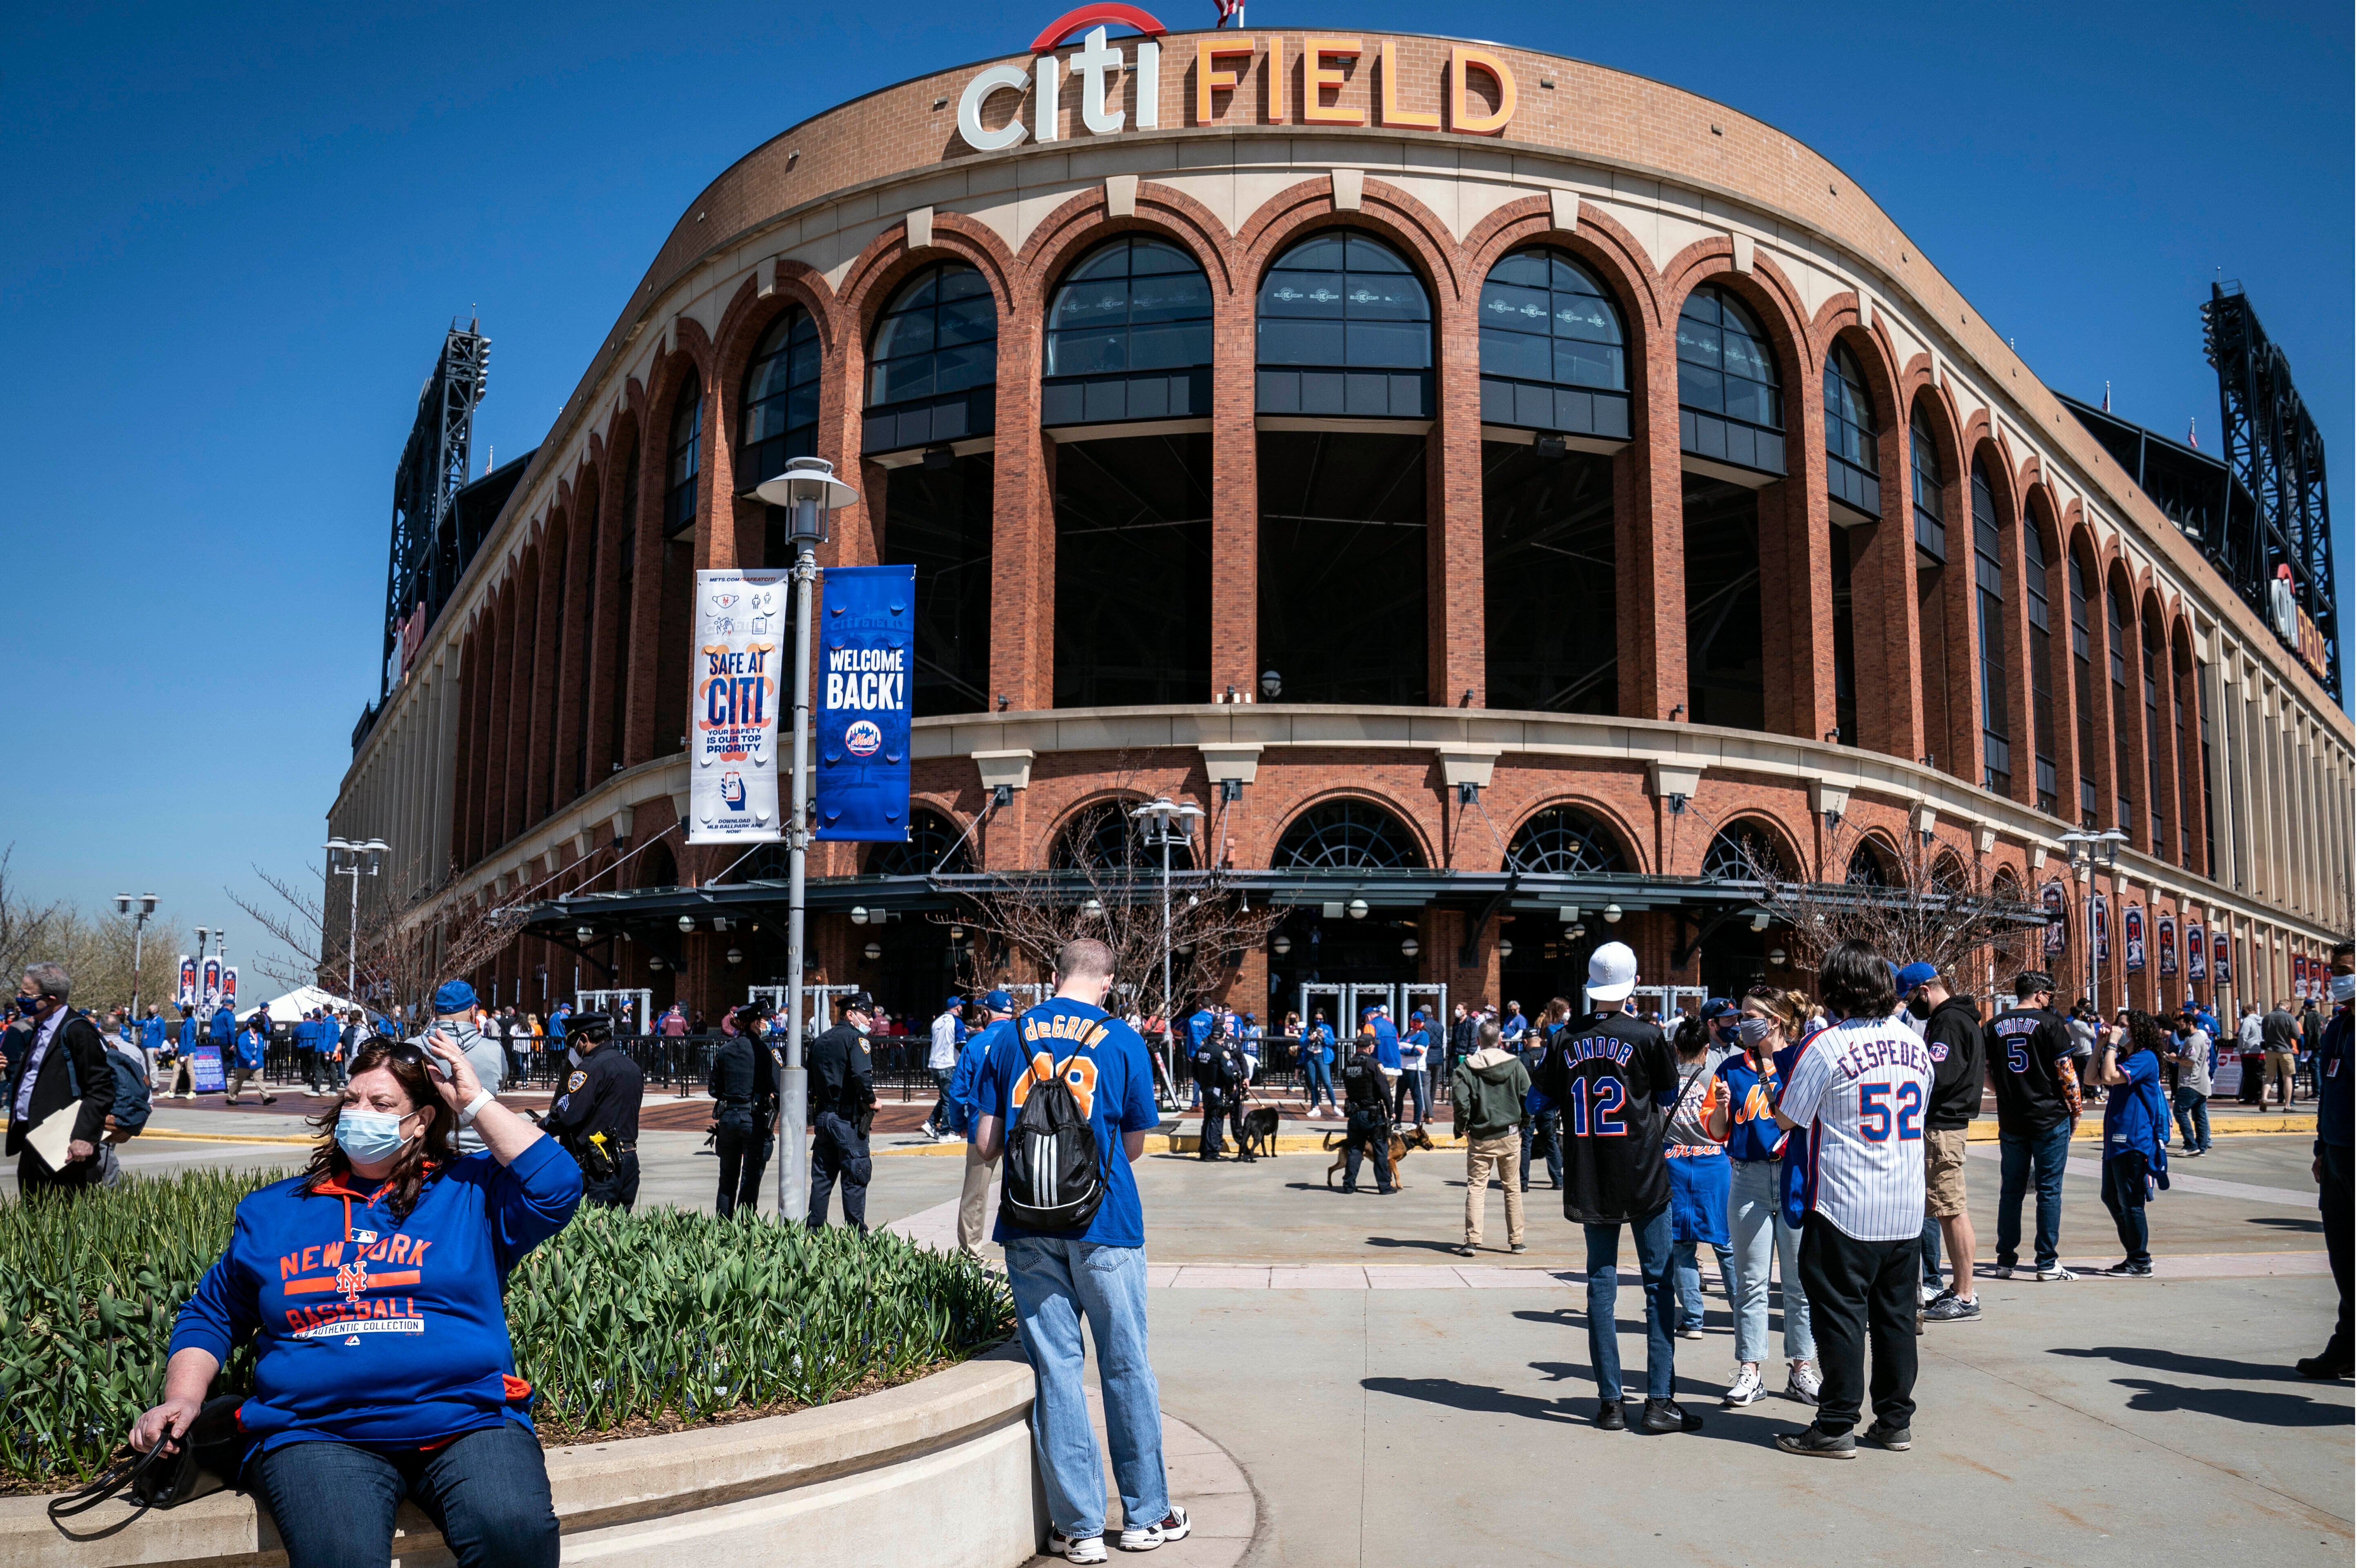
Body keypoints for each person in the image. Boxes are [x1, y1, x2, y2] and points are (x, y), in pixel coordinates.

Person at [131, 1031, 580, 1568]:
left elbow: (556, 1183)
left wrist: (474, 1102)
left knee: (514, 1532)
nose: (359, 1113)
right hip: (319, 1431)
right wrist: (183, 1399)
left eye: (382, 1104)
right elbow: (215, 1313)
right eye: (352, 1100)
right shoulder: (274, 1212)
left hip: (465, 1419)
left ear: (423, 1121)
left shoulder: (473, 1193)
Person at [972, 939, 1188, 1561]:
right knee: (1125, 1367)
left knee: (1057, 1372)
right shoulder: (1122, 1039)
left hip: (1028, 1225)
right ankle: (1147, 1516)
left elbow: (987, 1143)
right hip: (1107, 1223)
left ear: (1053, 976)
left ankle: (1080, 1528)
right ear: (1108, 981)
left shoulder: (1007, 1037)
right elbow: (1137, 1143)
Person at [1770, 941, 1932, 1460]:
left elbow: (1787, 1118)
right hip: (1905, 1204)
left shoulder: (1827, 1045)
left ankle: (1837, 1422)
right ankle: (1894, 1420)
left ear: (1836, 988)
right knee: (1896, 1318)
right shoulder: (1914, 1043)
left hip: (1844, 1202)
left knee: (1839, 1316)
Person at [1536, 941, 1700, 1434]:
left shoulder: (1564, 1039)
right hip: (1646, 1173)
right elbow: (1669, 1094)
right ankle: (1659, 1401)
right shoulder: (1648, 1036)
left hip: (1590, 1177)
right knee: (1657, 1285)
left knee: (1601, 1289)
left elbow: (1536, 1102)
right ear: (1633, 986)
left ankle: (1610, 1403)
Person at [1705, 985, 1820, 1407]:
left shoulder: (1801, 1063)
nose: (1741, 1023)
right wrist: (1720, 1106)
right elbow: (1718, 1131)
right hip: (1748, 1178)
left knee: (1799, 1284)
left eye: (1750, 1015)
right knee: (1750, 1282)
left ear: (1773, 1020)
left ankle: (1802, 1368)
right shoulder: (1731, 1069)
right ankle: (1750, 1370)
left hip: (1793, 1178)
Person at [1901, 962, 1984, 1323]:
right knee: (1945, 1208)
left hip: (1943, 1126)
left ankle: (1965, 1295)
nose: (1908, 1008)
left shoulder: (1948, 1021)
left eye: (1908, 999)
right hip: (1946, 1124)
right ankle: (1958, 1289)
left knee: (1951, 1210)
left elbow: (1939, 1075)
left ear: (1923, 990)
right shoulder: (1958, 1017)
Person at [1987, 970, 2082, 1282]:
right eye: (2049, 996)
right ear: (2040, 994)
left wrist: (2004, 1090)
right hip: (2049, 1116)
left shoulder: (1993, 1026)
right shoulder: (2051, 1024)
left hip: (2012, 1118)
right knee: (2049, 1192)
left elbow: (1985, 1073)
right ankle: (2046, 1262)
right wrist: (2076, 1108)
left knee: (2011, 1192)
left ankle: (2005, 1260)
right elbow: (2065, 1071)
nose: (2049, 1001)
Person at [6, 962, 111, 1197]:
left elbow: (101, 1088)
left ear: (51, 999)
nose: (19, 998)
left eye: (27, 994)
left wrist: (84, 1137)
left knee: (62, 1222)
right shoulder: (41, 1027)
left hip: (64, 1146)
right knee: (32, 1220)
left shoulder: (78, 1031)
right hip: (33, 1137)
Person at [2297, 940, 2352, 1379]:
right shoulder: (2338, 1026)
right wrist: (2321, 1149)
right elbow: (2329, 1092)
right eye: (2334, 970)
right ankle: (2347, 1345)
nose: (2336, 977)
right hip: (2337, 1154)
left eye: (2345, 969)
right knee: (2344, 1256)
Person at [2086, 1009, 2172, 1277]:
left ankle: (2140, 1260)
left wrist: (2111, 1044)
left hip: (2134, 1139)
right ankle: (2134, 1254)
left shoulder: (2145, 1058)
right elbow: (2091, 1079)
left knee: (2131, 1201)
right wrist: (2100, 1045)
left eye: (2122, 1027)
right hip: (2116, 1139)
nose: (2117, 1030)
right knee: (2110, 1196)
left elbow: (2110, 1078)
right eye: (2116, 1026)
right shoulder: (2125, 1057)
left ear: (2136, 1030)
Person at [1663, 1015, 1732, 1339]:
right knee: (1726, 1244)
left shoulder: (1662, 1083)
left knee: (1682, 1247)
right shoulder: (1716, 1080)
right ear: (1706, 1049)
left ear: (1676, 1048)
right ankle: (1742, 1312)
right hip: (1713, 1164)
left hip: (1673, 1162)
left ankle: (1693, 1320)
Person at [541, 1010, 643, 1209]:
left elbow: (568, 1116)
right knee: (620, 1235)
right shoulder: (632, 1067)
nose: (574, 1050)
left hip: (600, 1168)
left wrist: (544, 1124)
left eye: (574, 1044)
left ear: (585, 1039)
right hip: (629, 1162)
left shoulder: (590, 1068)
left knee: (593, 1235)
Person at [1452, 1020, 1529, 1256]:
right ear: (1500, 1041)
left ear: (1478, 1041)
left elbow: (1460, 1103)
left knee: (1476, 1187)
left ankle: (1472, 1241)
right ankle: (1517, 1241)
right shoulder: (1515, 1065)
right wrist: (1523, 1124)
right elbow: (1528, 1097)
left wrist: (1462, 1127)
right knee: (1512, 1188)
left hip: (1480, 1136)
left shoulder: (1465, 1069)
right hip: (1510, 1134)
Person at [950, 990, 1016, 1256]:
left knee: (975, 1196)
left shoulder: (976, 1045)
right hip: (1019, 1130)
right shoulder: (1024, 1041)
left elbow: (957, 1092)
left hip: (982, 1129)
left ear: (985, 1014)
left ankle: (971, 1255)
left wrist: (958, 1124)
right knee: (1020, 1190)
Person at [406, 982, 508, 1156]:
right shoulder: (495, 1050)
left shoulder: (410, 1050)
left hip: (424, 1152)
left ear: (436, 1012)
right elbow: (502, 1081)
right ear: (472, 1011)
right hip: (482, 1152)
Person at [807, 991, 878, 1230]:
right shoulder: (857, 1040)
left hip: (824, 1118)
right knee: (855, 1178)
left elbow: (810, 1084)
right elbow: (862, 1076)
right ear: (850, 1014)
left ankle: (813, 1234)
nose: (870, 1019)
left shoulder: (820, 1041)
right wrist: (872, 1101)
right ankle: (857, 1239)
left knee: (822, 1180)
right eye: (866, 1014)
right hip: (847, 1121)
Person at [707, 1004, 778, 1218]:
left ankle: (722, 1226)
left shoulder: (725, 1050)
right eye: (765, 1020)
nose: (767, 1024)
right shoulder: (766, 1052)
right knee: (751, 1178)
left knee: (727, 1179)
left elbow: (714, 1090)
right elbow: (777, 1088)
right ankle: (744, 1226)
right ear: (756, 1022)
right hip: (754, 1119)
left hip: (728, 1119)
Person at [1338, 1029, 1395, 1194]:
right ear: (1369, 1047)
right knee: (1380, 1150)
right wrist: (1391, 1111)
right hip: (1372, 1114)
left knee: (1355, 1149)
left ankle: (1348, 1185)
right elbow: (1384, 1090)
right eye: (1373, 1046)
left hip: (1355, 1113)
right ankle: (1385, 1187)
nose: (1373, 1049)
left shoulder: (1349, 1065)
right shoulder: (1373, 1065)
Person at [1188, 1013, 1235, 1161]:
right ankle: (1212, 1153)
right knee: (1216, 1120)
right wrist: (1231, 1086)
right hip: (1217, 1090)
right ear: (1222, 1036)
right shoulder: (1221, 1053)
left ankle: (1204, 1150)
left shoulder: (1202, 1050)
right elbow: (1227, 1073)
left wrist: (1202, 1083)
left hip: (1206, 1089)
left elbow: (1194, 1070)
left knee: (1208, 1119)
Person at [2169, 1009, 2214, 1157]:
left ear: (2190, 1024)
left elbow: (2190, 1061)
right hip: (2202, 1083)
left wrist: (2175, 1059)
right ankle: (2201, 1147)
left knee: (2180, 1112)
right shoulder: (2202, 1039)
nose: (2180, 1030)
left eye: (2182, 1026)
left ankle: (2190, 1144)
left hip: (2191, 1083)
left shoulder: (2194, 1040)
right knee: (2199, 1116)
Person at [924, 994, 965, 1140]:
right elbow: (961, 1045)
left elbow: (931, 1043)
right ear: (956, 1008)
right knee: (949, 1100)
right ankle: (945, 1132)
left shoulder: (937, 1022)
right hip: (948, 1064)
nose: (962, 1009)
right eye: (961, 1006)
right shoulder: (957, 1022)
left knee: (945, 1097)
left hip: (934, 1064)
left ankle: (930, 1123)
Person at [226, 1012, 276, 1105]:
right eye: (255, 1024)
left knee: (259, 1080)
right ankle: (231, 1097)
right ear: (250, 1025)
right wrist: (250, 1060)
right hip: (244, 1063)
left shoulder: (260, 1036)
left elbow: (260, 1049)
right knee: (239, 1080)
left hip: (258, 1063)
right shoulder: (244, 1036)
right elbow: (243, 1050)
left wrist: (259, 1060)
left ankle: (266, 1098)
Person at [1394, 1010, 1432, 1126]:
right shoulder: (1408, 1034)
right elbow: (1400, 1044)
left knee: (1416, 1096)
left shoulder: (1423, 1035)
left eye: (1418, 1022)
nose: (1415, 1024)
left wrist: (1402, 1051)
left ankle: (1416, 1122)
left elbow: (1419, 1051)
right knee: (1399, 1096)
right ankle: (1397, 1121)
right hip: (1403, 1069)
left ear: (1422, 1023)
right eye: (1414, 1021)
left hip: (1415, 1069)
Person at [2263, 997, 2300, 1110]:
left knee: (2269, 1077)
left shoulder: (2267, 1017)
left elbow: (2264, 1035)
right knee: (2288, 1078)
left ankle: (2264, 1098)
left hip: (2270, 1051)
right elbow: (2297, 1035)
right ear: (2288, 1008)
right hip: (2285, 1051)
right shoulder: (2289, 1017)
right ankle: (2288, 1105)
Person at [1299, 1009, 1336, 1118]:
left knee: (1327, 1082)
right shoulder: (1308, 1029)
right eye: (1316, 1019)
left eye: (1321, 1019)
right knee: (1313, 1083)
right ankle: (1316, 1107)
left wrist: (1324, 1037)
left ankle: (1335, 1106)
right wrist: (1309, 1039)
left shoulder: (1327, 1028)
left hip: (1322, 1057)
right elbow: (1301, 1042)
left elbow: (1332, 1042)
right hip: (1310, 1057)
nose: (1319, 1021)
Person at [2236, 1003, 2266, 1104]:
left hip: (2249, 1052)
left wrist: (2240, 1050)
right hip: (2261, 1051)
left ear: (2248, 1011)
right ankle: (2259, 1096)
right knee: (2259, 1076)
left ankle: (2251, 1097)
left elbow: (2242, 1036)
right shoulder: (2262, 1020)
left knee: (2250, 1077)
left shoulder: (2247, 1021)